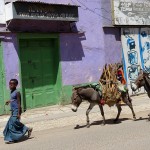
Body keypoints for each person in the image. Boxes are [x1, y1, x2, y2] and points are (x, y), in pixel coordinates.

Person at [3, 79, 32, 144]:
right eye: (9, 84)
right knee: (12, 123)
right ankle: (27, 129)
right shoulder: (11, 92)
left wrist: (19, 113)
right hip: (13, 110)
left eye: (11, 84)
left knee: (12, 124)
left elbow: (19, 103)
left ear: (16, 85)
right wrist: (9, 101)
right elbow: (13, 99)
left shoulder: (17, 92)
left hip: (17, 110)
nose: (10, 86)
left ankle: (14, 138)